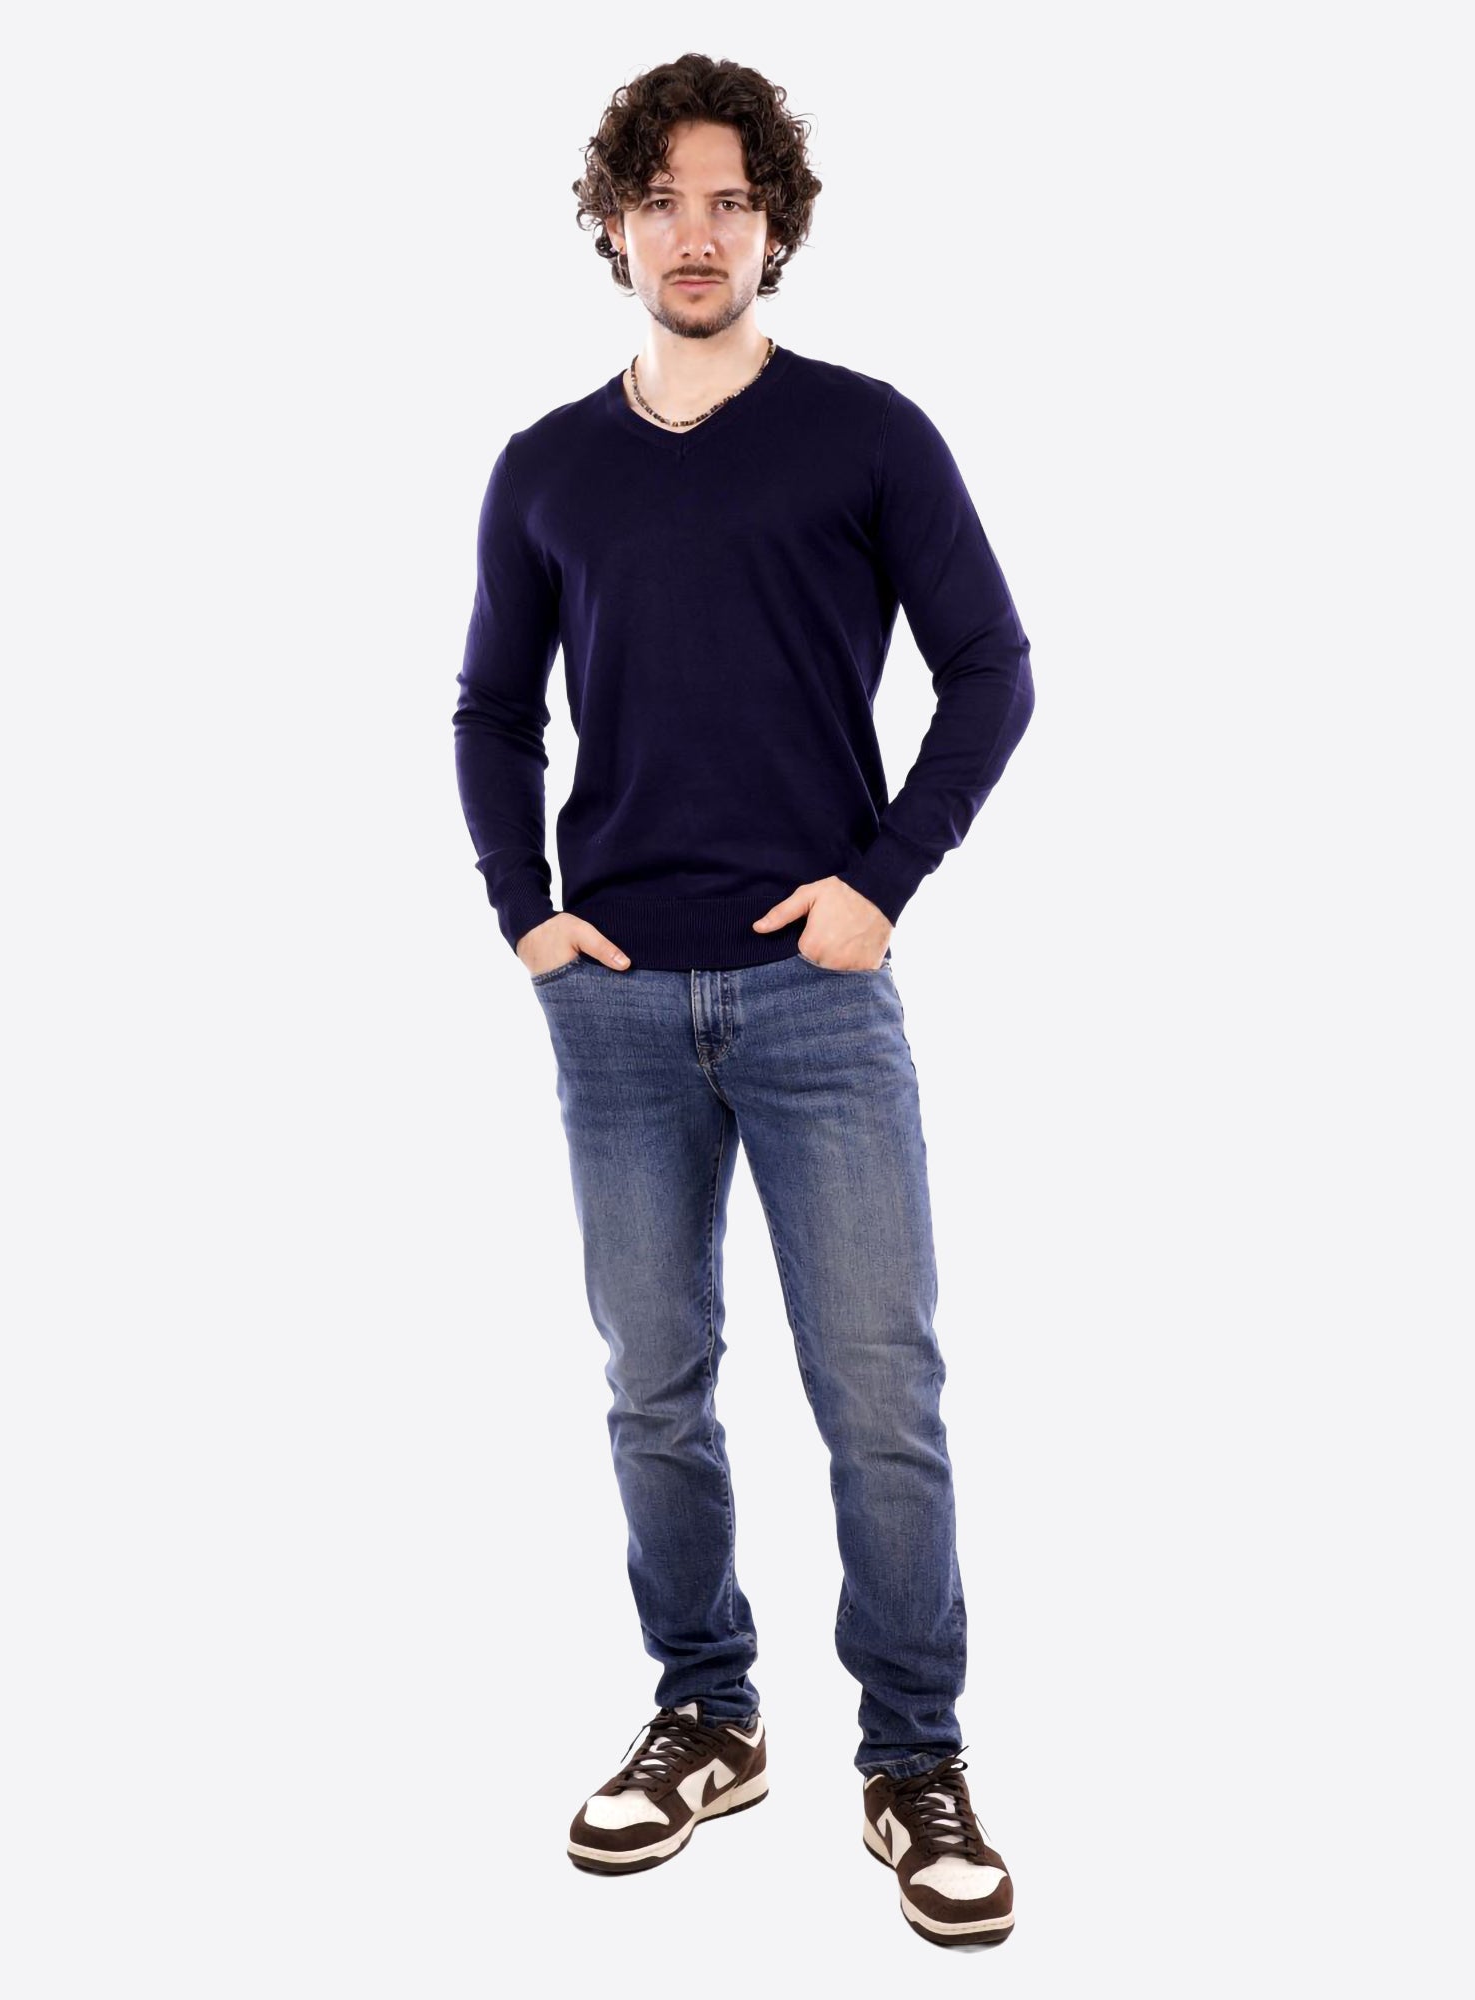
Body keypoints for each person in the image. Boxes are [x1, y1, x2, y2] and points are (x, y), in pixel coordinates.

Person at [452, 55, 1033, 1948]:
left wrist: (883, 883)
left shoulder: (865, 436)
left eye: (727, 201)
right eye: (661, 201)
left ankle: (914, 1757)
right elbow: (491, 709)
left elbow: (992, 669)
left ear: (772, 223)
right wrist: (529, 919)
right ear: (615, 225)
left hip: (814, 997)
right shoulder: (548, 468)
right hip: (617, 1010)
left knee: (879, 1389)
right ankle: (707, 1713)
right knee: (655, 1385)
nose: (694, 235)